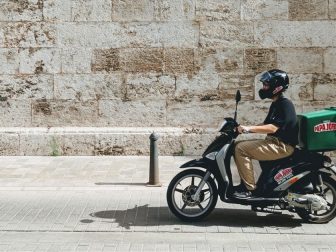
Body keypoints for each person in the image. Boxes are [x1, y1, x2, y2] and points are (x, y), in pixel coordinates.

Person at [233, 69, 299, 198]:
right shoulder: (275, 104)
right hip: (274, 143)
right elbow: (265, 125)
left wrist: (248, 129)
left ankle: (249, 189)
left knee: (241, 149)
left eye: (266, 85)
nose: (264, 88)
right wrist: (244, 129)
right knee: (238, 144)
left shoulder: (285, 104)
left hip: (282, 146)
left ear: (276, 86)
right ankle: (247, 184)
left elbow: (273, 128)